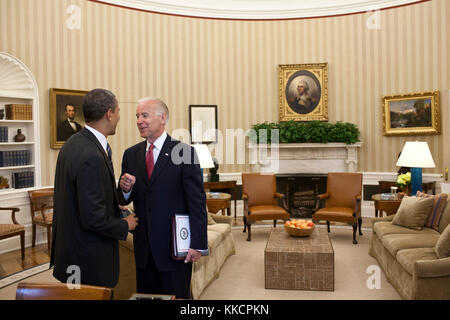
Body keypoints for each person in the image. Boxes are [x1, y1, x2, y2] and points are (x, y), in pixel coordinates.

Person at [118, 97, 208, 299]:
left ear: (163, 118)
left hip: (175, 248)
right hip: (143, 249)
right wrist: (124, 189)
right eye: (137, 116)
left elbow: (197, 203)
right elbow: (123, 199)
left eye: (144, 115)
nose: (139, 121)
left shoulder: (184, 152)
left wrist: (198, 243)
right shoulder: (130, 155)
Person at [50, 88, 139, 288]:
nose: (118, 117)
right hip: (88, 259)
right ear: (109, 114)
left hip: (72, 253)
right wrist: (126, 224)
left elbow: (84, 199)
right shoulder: (92, 155)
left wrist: (116, 206)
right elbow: (93, 219)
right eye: (117, 112)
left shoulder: (73, 143)